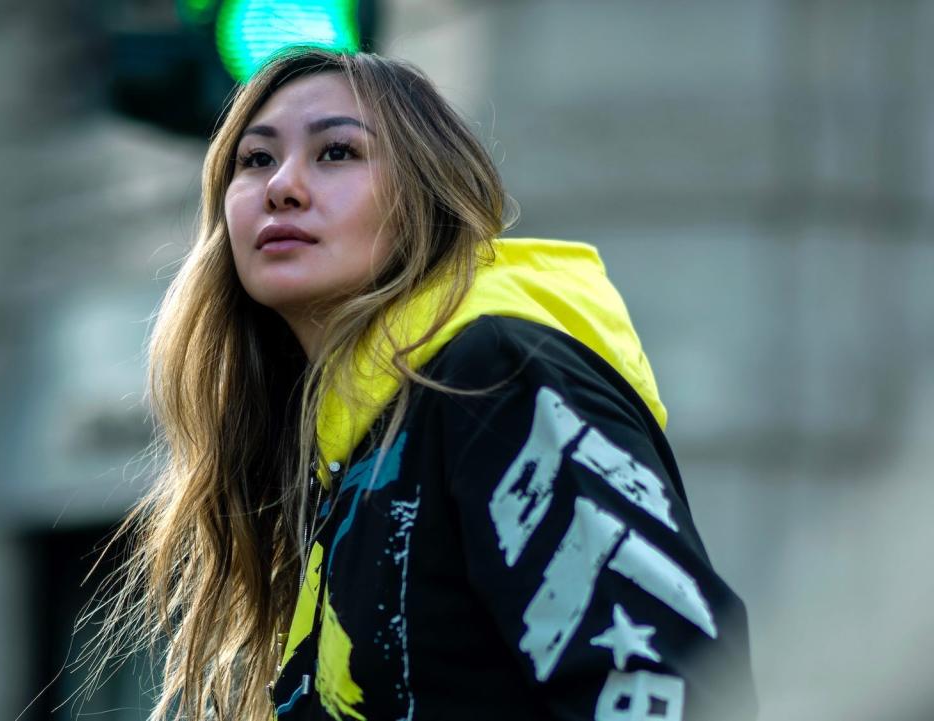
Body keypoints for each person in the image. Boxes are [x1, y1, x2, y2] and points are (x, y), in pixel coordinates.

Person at [88, 47, 757, 721]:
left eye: (338, 153)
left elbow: (665, 678)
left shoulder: (493, 370)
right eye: (256, 159)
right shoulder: (348, 455)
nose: (282, 185)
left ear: (426, 197)